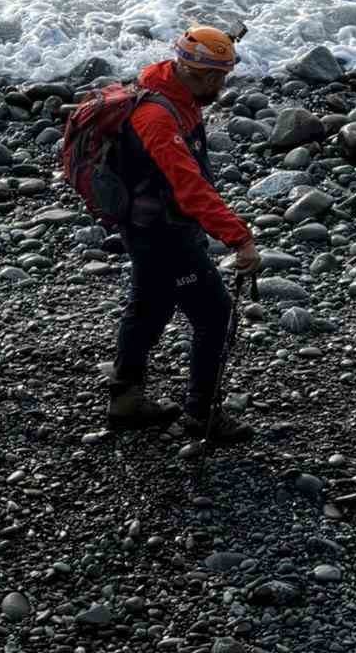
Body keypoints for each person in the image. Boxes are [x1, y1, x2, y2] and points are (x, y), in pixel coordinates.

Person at [107, 25, 261, 439]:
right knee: (214, 314)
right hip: (164, 233)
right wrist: (239, 238)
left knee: (149, 306)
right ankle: (201, 414)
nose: (223, 85)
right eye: (221, 77)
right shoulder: (158, 118)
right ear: (205, 76)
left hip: (144, 223)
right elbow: (188, 186)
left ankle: (125, 397)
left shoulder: (168, 86)